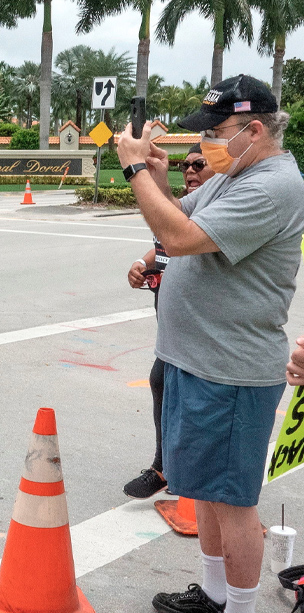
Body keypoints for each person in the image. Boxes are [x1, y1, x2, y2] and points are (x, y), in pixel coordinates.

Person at [119, 75, 304, 613]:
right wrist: (153, 171)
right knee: (203, 490)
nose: (206, 147)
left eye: (217, 133)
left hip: (231, 370)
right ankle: (214, 593)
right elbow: (175, 212)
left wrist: (129, 170)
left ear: (254, 130)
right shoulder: (236, 174)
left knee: (233, 501)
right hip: (194, 361)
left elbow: (178, 238)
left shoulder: (273, 185)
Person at [122, 144, 216, 499]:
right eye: (185, 165)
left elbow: (180, 239)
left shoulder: (213, 210)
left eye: (199, 164)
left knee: (183, 391)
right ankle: (168, 469)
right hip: (172, 329)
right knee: (162, 382)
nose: (190, 171)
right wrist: (141, 265)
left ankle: (177, 471)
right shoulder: (181, 208)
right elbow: (163, 246)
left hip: (202, 331)